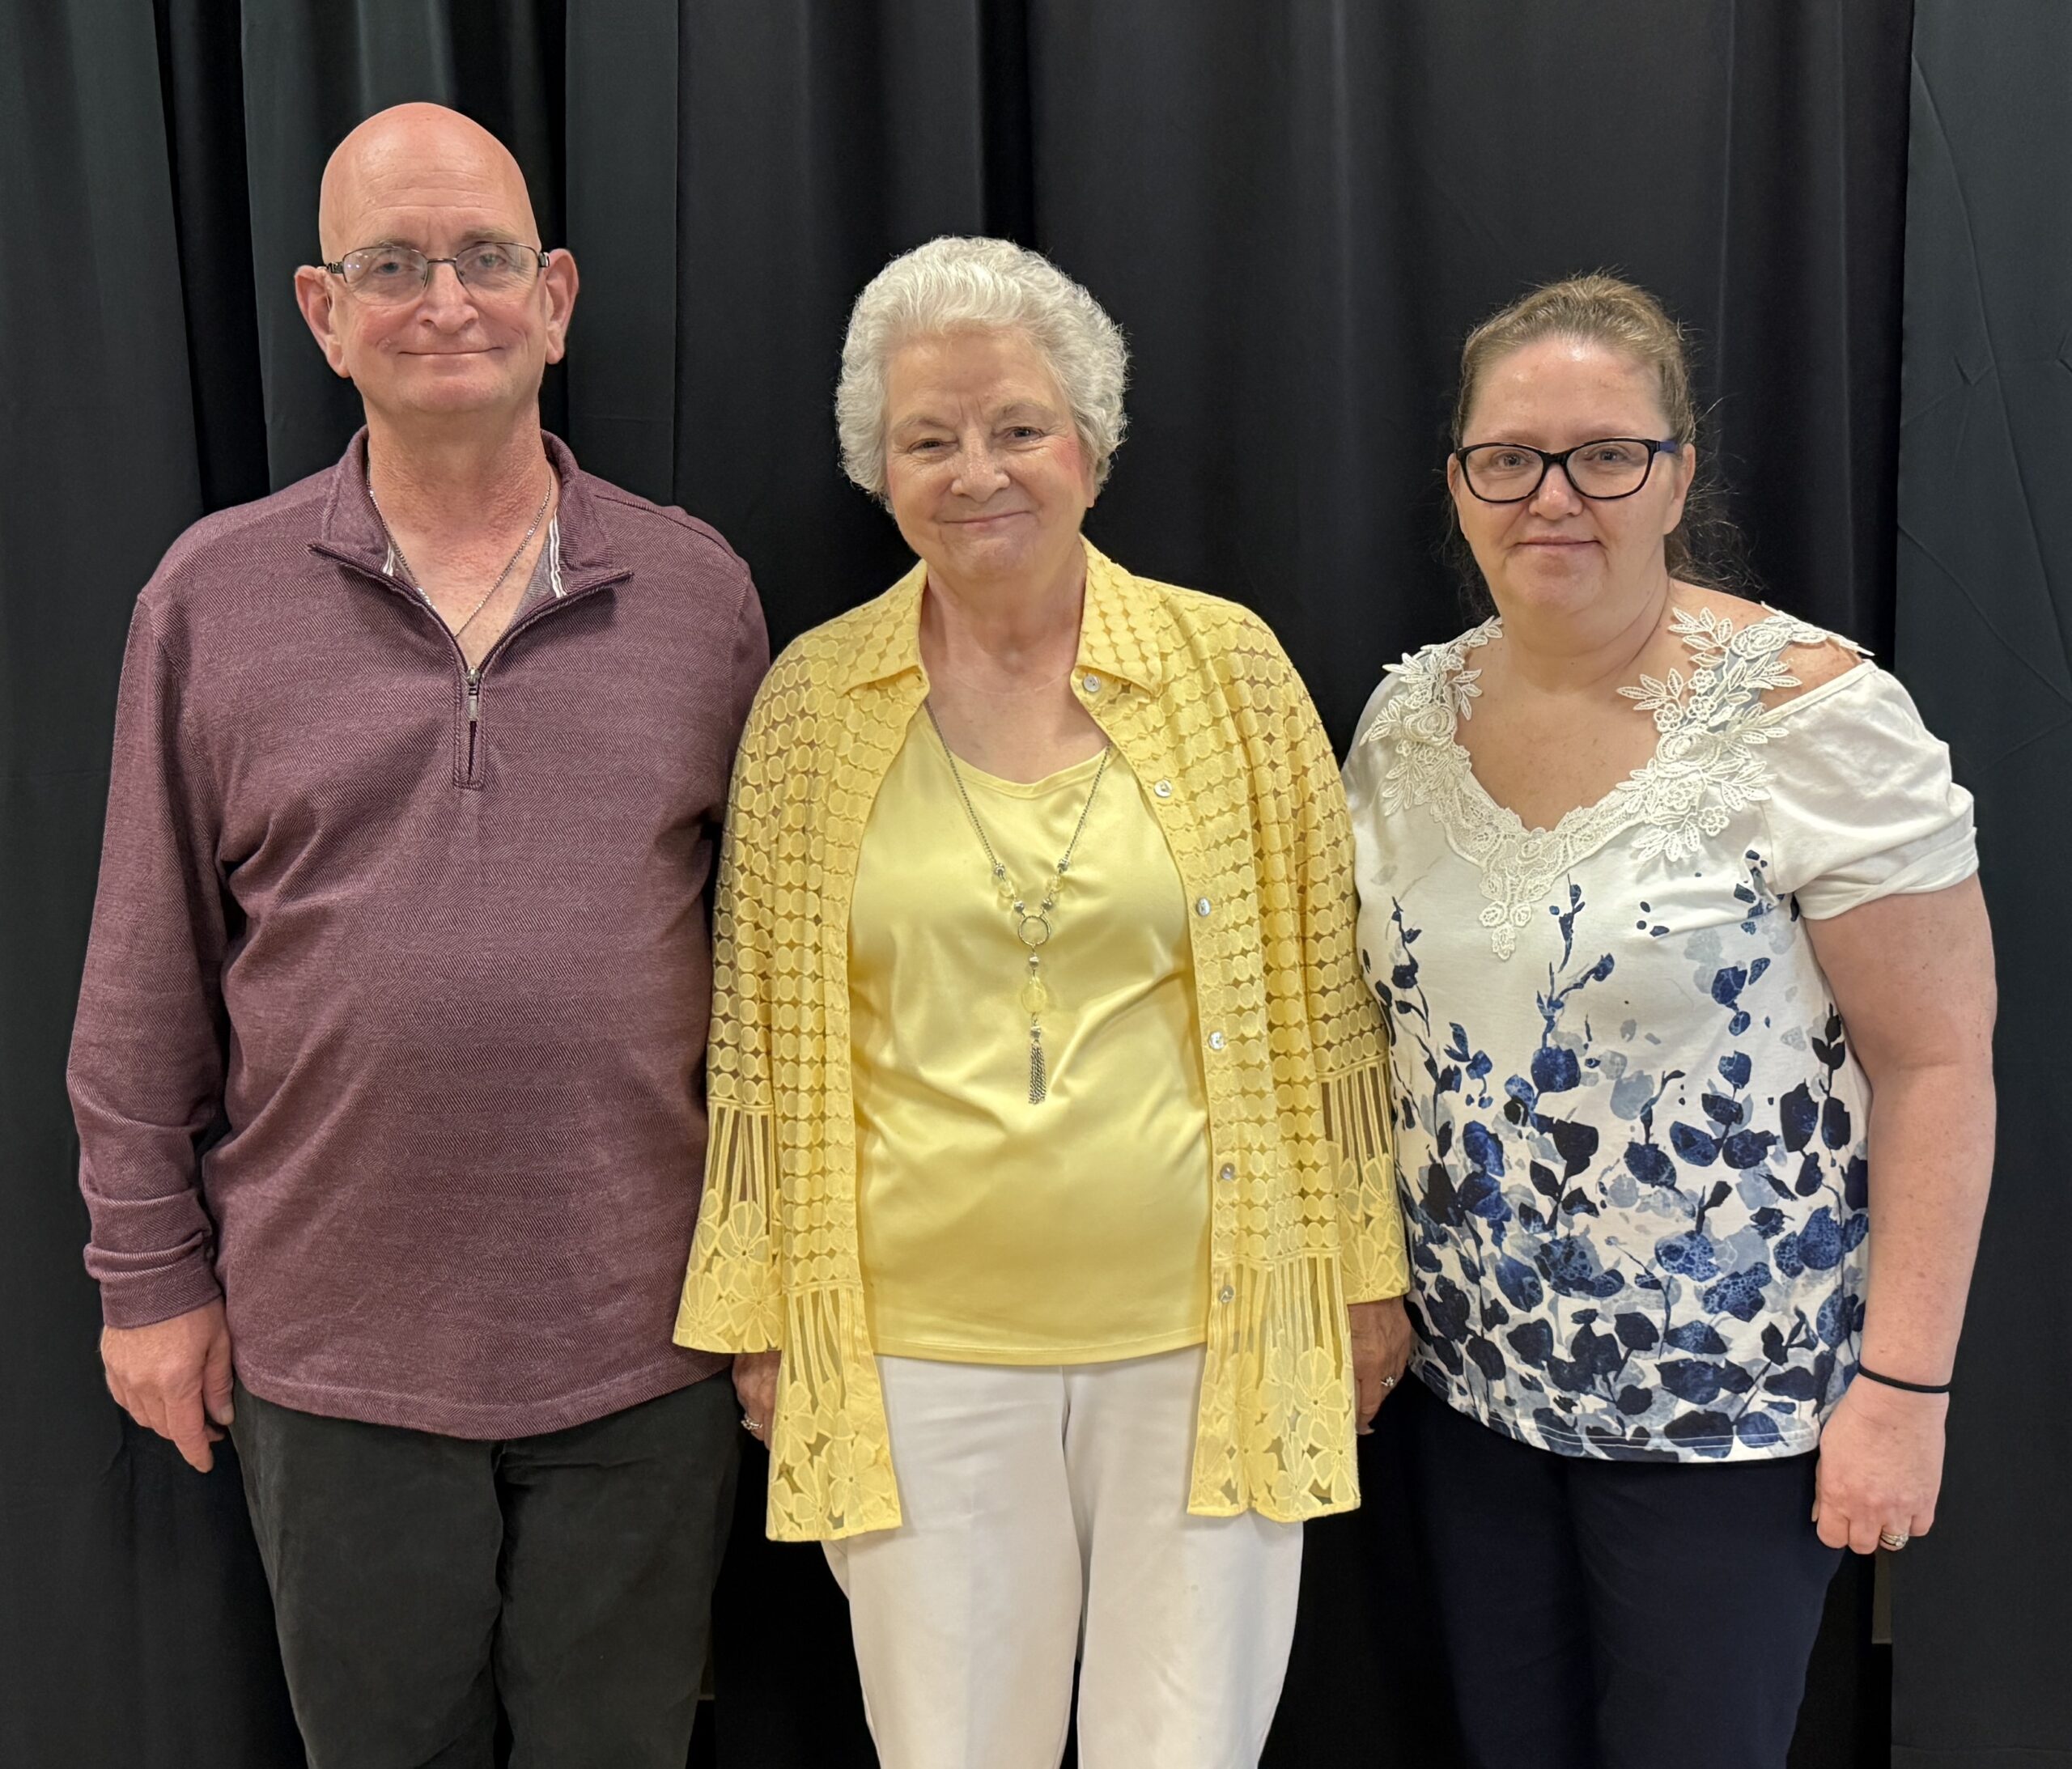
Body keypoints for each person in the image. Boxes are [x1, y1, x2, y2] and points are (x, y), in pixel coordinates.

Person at [67, 104, 767, 1767]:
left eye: (482, 259)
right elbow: (141, 973)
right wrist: (142, 1279)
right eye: (392, 265)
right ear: (321, 311)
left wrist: (780, 1282)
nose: (442, 298)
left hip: (646, 1347)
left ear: (558, 297)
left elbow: (781, 984)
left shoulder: (697, 596)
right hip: (331, 1353)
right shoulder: (207, 598)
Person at [674, 235, 1412, 1769]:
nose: (977, 470)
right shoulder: (812, 701)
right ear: (878, 471)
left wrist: (1355, 1270)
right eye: (926, 437)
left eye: (1017, 426)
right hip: (914, 1352)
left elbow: (1329, 1004)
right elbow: (751, 1034)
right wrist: (759, 1318)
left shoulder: (1230, 669)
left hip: (1207, 1338)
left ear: (1091, 444)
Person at [1341, 274, 1995, 1769]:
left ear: (1677, 471)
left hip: (1730, 1411)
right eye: (1509, 458)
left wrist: (1905, 1389)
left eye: (1605, 454)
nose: (1553, 495)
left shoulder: (1819, 718)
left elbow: (1938, 1061)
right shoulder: (1405, 717)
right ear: (1459, 485)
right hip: (1474, 1394)